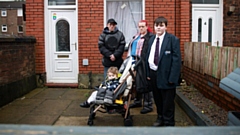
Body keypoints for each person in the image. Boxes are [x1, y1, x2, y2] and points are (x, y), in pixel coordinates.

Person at [146, 16, 181, 126]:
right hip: (154, 74)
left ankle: (168, 122)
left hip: (167, 76)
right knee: (158, 99)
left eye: (161, 26)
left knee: (168, 102)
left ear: (166, 27)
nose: (158, 28)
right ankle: (160, 118)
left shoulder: (172, 40)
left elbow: (176, 60)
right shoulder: (151, 39)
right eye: (157, 25)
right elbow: (147, 57)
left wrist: (173, 78)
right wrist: (148, 74)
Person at [126, 20, 154, 114]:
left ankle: (148, 104)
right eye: (140, 26)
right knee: (136, 82)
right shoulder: (137, 36)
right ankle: (138, 101)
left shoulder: (150, 37)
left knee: (145, 83)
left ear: (146, 27)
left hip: (144, 62)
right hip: (134, 61)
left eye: (143, 26)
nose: (141, 28)